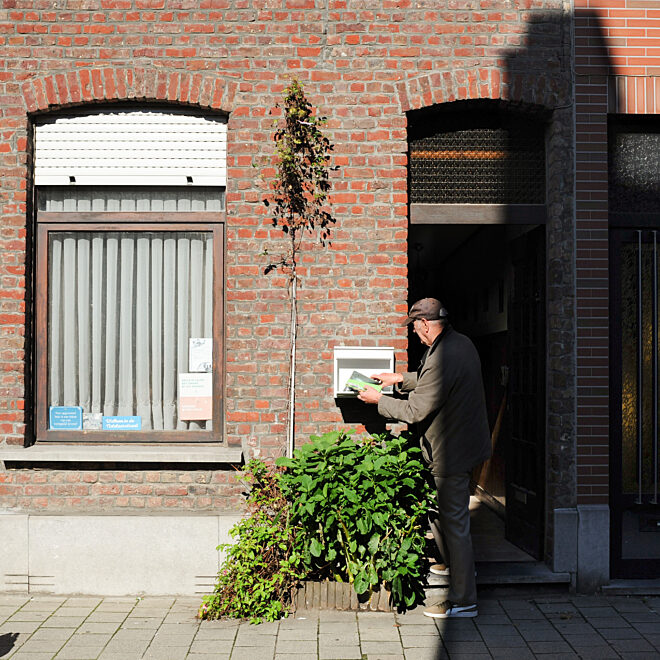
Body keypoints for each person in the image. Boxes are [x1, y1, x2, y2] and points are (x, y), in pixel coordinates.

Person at [357, 297, 491, 618]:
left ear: (427, 325)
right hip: (463, 448)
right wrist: (400, 379)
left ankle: (464, 600)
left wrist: (379, 400)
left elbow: (416, 410)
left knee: (454, 524)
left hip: (451, 454)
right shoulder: (461, 344)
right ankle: (457, 573)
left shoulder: (445, 353)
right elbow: (436, 378)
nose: (416, 336)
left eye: (416, 329)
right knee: (442, 517)